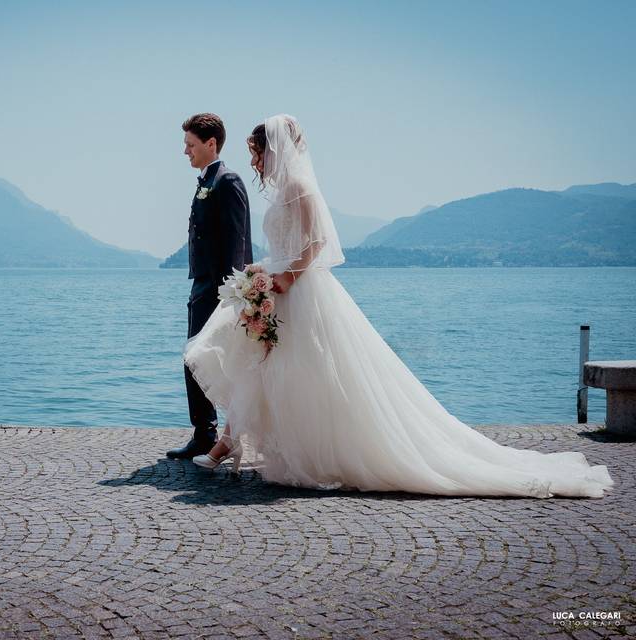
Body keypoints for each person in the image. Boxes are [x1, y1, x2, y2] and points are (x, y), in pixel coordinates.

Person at [182, 114, 614, 498]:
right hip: (278, 287)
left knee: (294, 370)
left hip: (301, 290)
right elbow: (286, 243)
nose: (256, 162)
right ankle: (231, 442)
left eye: (258, 153)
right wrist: (260, 270)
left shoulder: (300, 186)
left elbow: (318, 243)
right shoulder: (279, 193)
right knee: (265, 366)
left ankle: (239, 445)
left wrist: (288, 276)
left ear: (274, 149)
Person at [167, 113, 253, 460]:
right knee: (195, 358)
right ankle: (205, 432)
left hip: (218, 288)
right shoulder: (207, 180)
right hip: (201, 283)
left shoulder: (227, 181)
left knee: (201, 358)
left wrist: (229, 292)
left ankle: (213, 434)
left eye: (190, 144)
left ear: (210, 143)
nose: (185, 151)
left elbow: (237, 240)